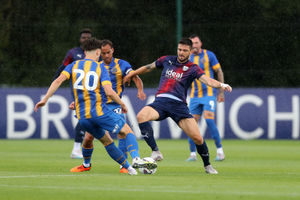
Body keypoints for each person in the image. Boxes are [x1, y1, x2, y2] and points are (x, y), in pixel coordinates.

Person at [35, 38, 151, 175]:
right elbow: (108, 91)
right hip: (100, 112)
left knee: (106, 141)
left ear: (84, 51)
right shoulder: (100, 67)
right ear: (97, 52)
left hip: (83, 117)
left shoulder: (73, 65)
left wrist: (45, 99)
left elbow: (58, 80)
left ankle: (129, 169)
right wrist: (122, 103)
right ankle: (136, 159)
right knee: (127, 131)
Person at [123, 38, 232, 174]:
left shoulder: (193, 68)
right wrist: (131, 74)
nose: (181, 52)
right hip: (161, 102)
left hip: (179, 106)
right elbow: (148, 67)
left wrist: (222, 85)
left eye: (185, 50)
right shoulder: (167, 60)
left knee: (198, 138)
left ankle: (207, 166)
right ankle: (155, 151)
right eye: (179, 49)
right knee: (141, 116)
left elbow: (207, 80)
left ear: (190, 52)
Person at [71, 39, 147, 174]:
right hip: (98, 107)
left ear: (112, 50)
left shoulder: (122, 64)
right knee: (88, 138)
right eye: (103, 53)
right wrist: (78, 102)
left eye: (108, 52)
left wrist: (140, 90)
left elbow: (134, 76)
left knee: (123, 132)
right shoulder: (96, 66)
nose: (106, 56)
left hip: (115, 104)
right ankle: (86, 164)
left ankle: (127, 164)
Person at [53, 28, 92, 159]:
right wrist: (55, 83)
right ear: (80, 39)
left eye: (88, 37)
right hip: (78, 90)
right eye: (83, 37)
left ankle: (81, 147)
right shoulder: (73, 53)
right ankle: (76, 149)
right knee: (84, 117)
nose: (86, 40)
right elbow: (63, 67)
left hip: (94, 90)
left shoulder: (96, 53)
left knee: (89, 117)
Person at [186, 34, 226, 162]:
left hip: (208, 94)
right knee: (191, 125)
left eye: (196, 43)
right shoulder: (187, 58)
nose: (195, 46)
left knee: (209, 120)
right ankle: (192, 154)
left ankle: (220, 151)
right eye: (192, 44)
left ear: (201, 44)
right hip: (194, 96)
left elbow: (219, 71)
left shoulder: (209, 55)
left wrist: (221, 92)